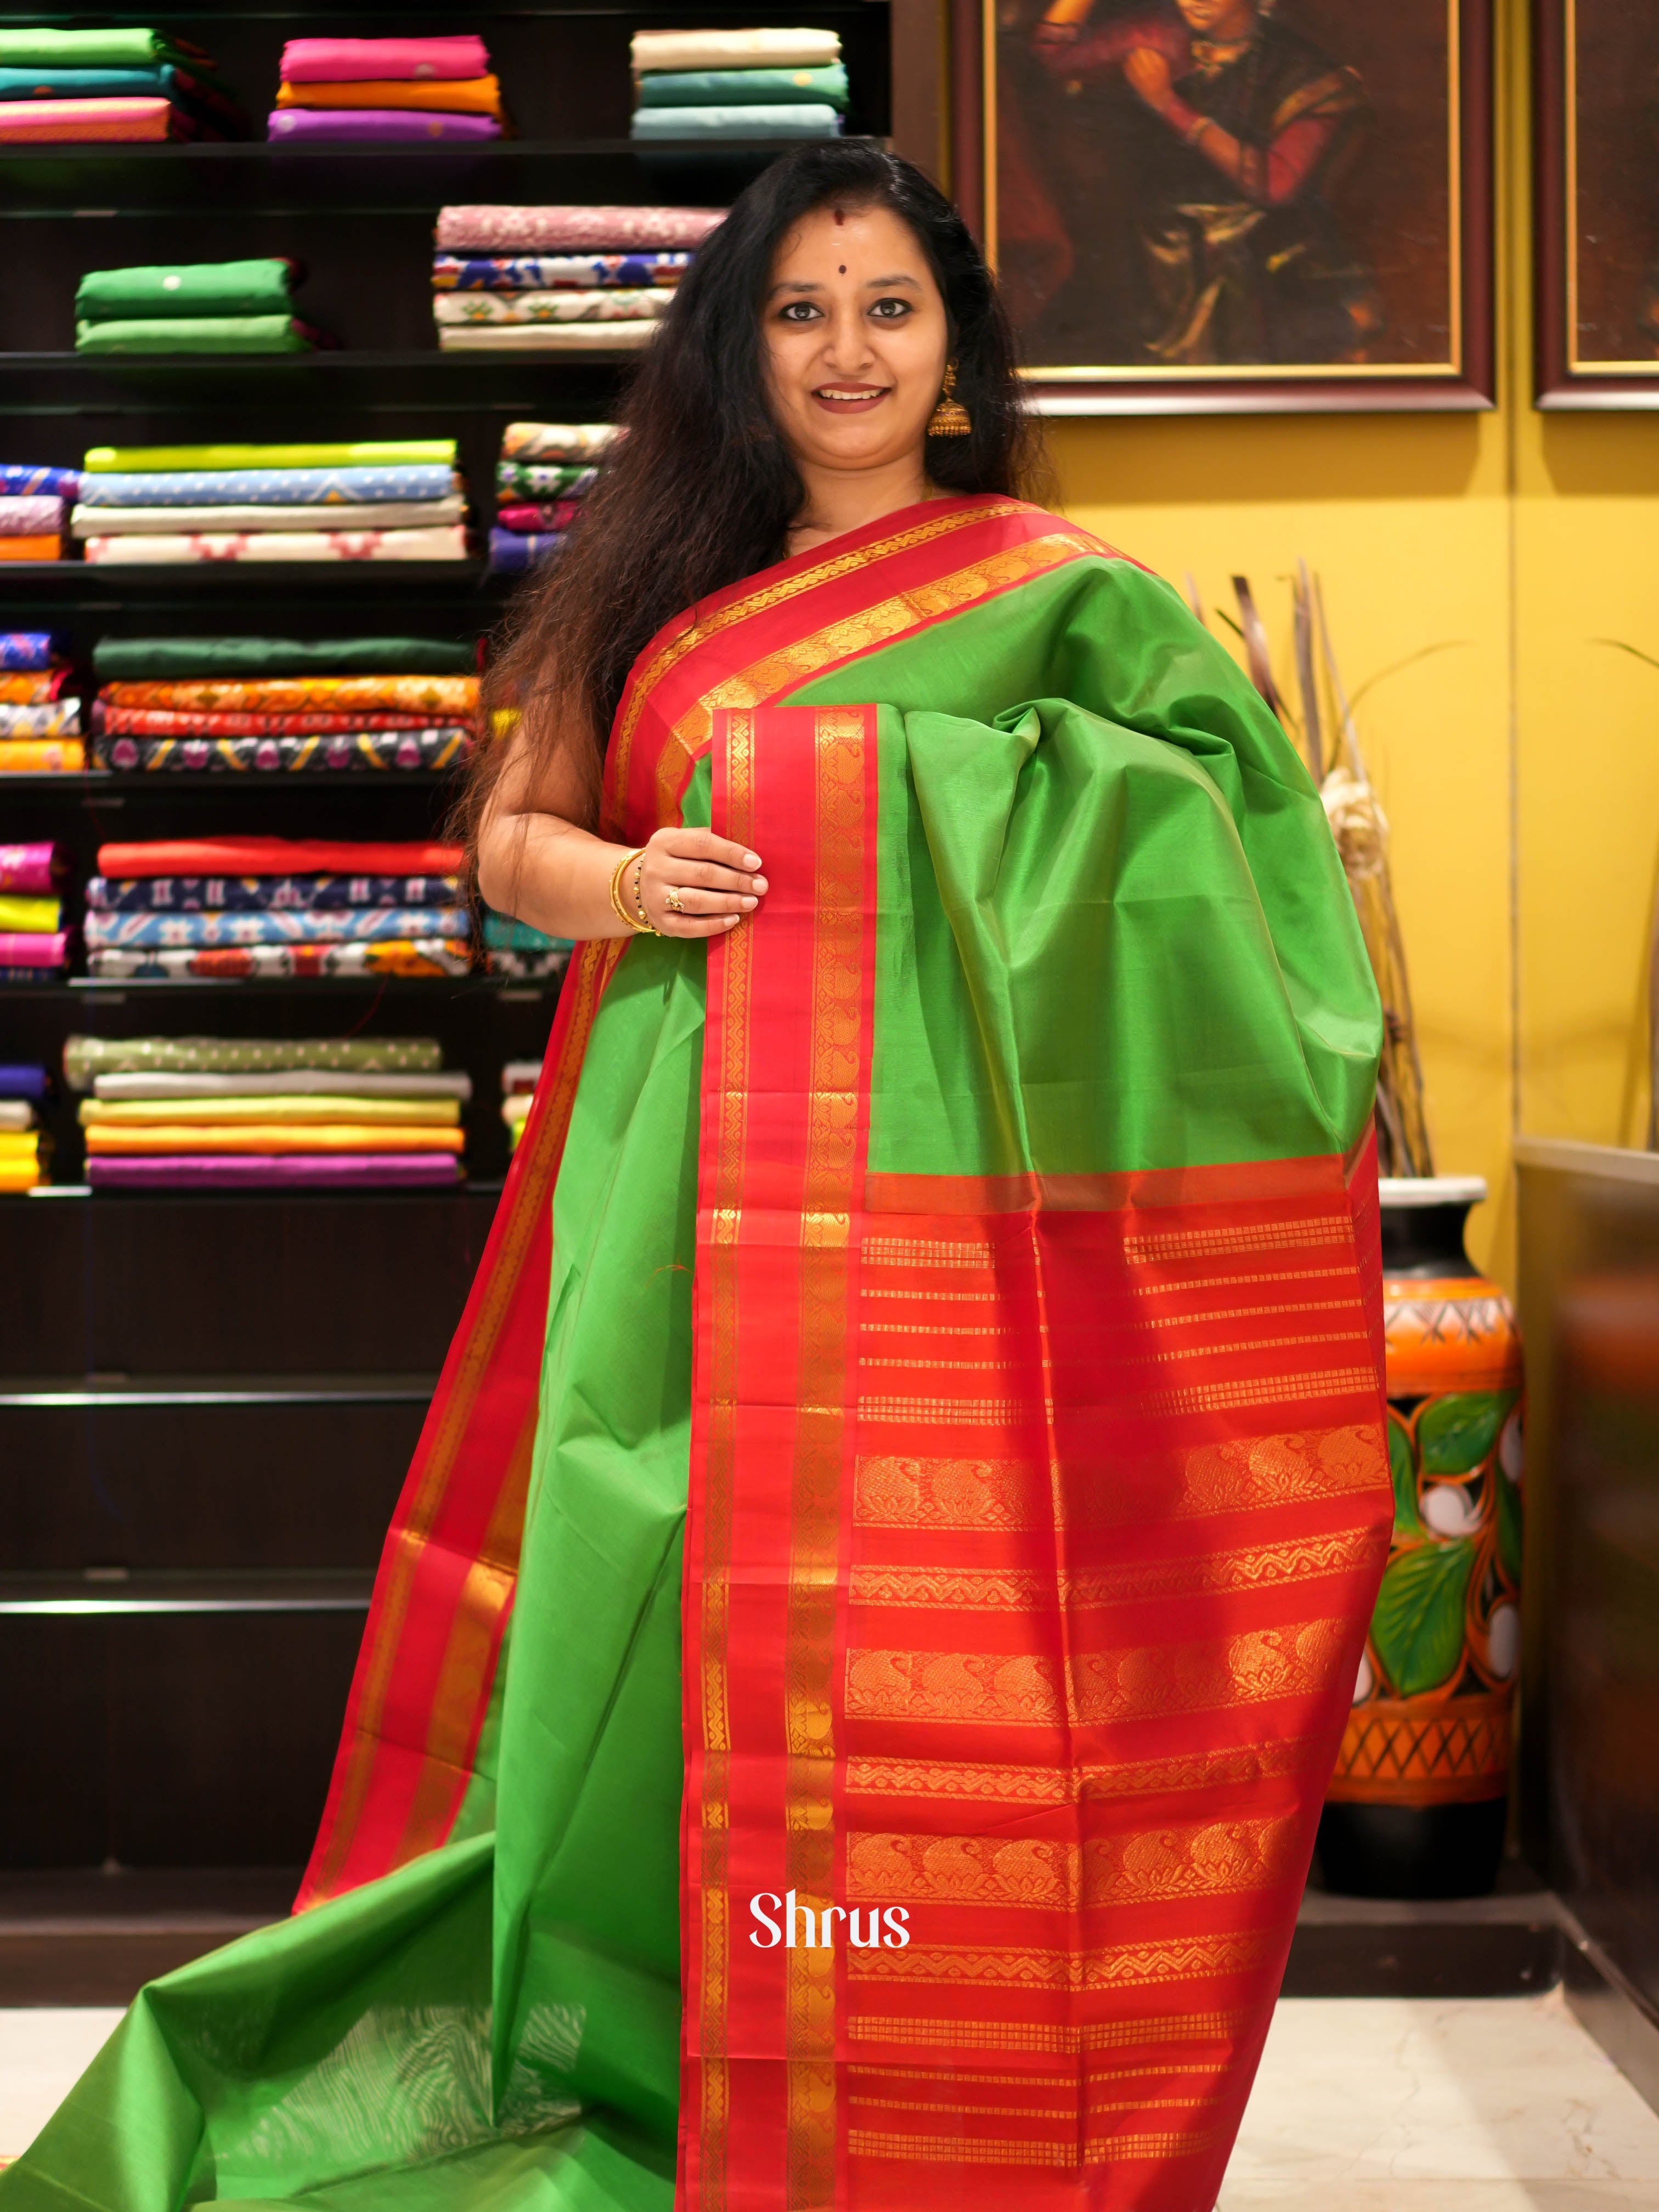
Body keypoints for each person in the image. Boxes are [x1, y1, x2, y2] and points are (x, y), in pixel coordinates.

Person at [2, 142, 1392, 2211]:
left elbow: (1239, 856)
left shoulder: (1059, 593)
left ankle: (933, 2059)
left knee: (946, 1647)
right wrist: (635, 876)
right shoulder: (649, 566)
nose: (845, 350)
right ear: (740, 349)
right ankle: (641, 2035)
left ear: (953, 348)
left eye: (887, 307)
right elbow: (509, 848)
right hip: (679, 1193)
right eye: (797, 310)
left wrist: (957, 804)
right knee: (642, 1603)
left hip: (952, 1242)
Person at [1026, 0, 1376, 364]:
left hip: (1266, 265)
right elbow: (1051, 55)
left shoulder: (1306, 72)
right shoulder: (1157, 36)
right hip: (1159, 260)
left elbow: (1275, 184)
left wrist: (1167, 105)